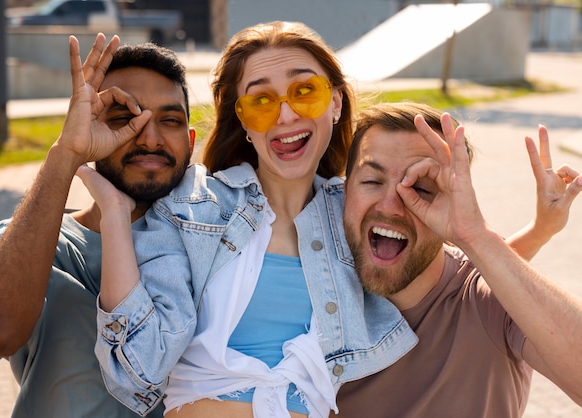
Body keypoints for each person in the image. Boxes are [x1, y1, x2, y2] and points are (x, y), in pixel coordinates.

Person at [77, 21, 418, 418]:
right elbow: (138, 369)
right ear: (243, 121)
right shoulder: (192, 206)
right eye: (261, 100)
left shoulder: (359, 216)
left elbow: (458, 285)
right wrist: (115, 213)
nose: (286, 114)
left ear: (336, 103)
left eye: (305, 91)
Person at [0, 33, 196, 417]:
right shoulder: (36, 242)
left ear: (189, 141)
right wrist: (66, 154)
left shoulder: (217, 246)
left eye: (169, 121)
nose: (150, 138)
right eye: (125, 117)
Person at [335, 102, 582, 417]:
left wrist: (475, 234)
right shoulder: (318, 294)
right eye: (371, 181)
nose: (391, 206)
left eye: (421, 189)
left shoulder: (488, 301)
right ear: (343, 191)